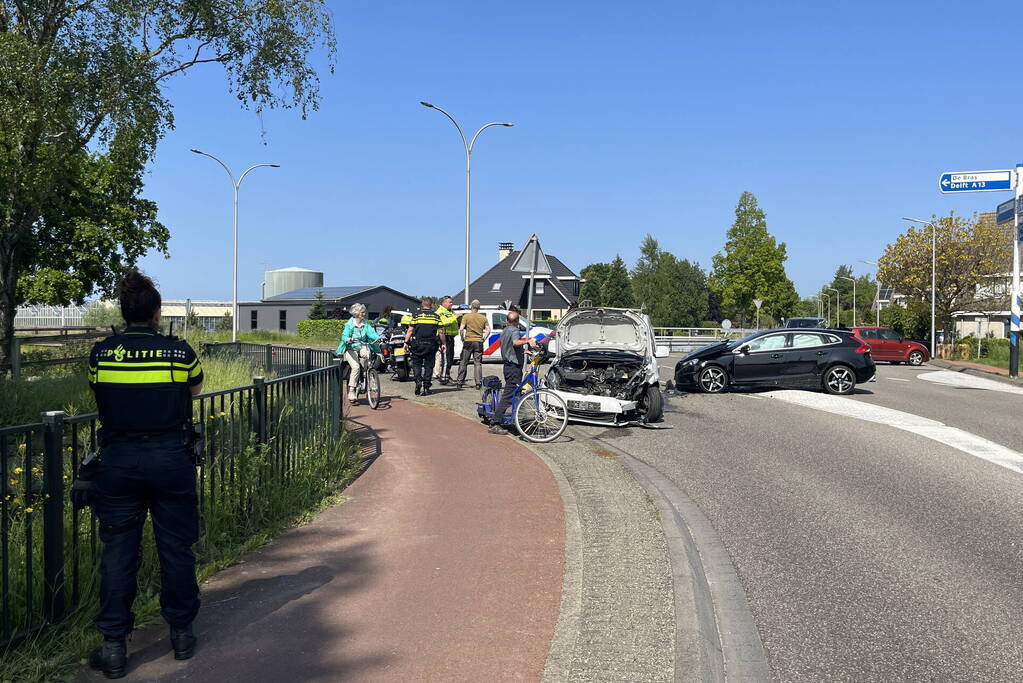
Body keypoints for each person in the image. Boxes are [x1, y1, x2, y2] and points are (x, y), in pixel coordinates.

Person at [86, 271, 204, 678]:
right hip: (170, 460)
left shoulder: (101, 354)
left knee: (118, 553)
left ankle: (114, 647)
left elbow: (99, 393)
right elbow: (194, 390)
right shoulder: (179, 353)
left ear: (125, 311)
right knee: (176, 548)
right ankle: (182, 635)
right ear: (157, 313)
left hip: (118, 462)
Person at [489, 310, 537, 434]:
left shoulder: (504, 331)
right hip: (513, 369)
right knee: (508, 396)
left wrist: (522, 352)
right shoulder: (515, 330)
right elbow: (515, 342)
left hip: (508, 366)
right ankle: (495, 423)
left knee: (516, 394)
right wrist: (527, 341)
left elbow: (509, 347)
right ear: (516, 322)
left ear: (507, 321)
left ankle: (521, 420)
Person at [337, 303, 381, 405]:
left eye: (364, 312)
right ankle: (351, 390)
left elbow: (371, 333)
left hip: (362, 346)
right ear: (356, 313)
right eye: (362, 312)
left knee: (367, 353)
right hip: (350, 348)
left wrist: (378, 337)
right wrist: (347, 339)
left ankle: (368, 372)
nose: (364, 314)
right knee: (356, 367)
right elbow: (344, 335)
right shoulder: (349, 324)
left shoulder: (365, 323)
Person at [404, 297, 447, 396]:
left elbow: (410, 330)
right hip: (431, 344)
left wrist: (406, 342)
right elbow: (441, 332)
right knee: (429, 366)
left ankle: (418, 381)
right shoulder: (436, 317)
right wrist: (443, 343)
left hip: (417, 344)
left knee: (416, 364)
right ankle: (426, 387)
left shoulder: (416, 316)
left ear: (422, 305)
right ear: (431, 305)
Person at [456, 300, 490, 389]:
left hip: (468, 341)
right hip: (478, 342)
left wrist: (462, 338)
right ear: (479, 307)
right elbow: (488, 330)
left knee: (464, 362)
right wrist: (483, 339)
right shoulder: (483, 318)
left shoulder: (466, 316)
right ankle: (478, 383)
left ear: (471, 306)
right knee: (477, 363)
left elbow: (461, 329)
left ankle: (459, 382)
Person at [433, 296, 460, 385]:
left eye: (451, 302)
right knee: (446, 359)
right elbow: (443, 323)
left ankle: (447, 375)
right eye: (449, 302)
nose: (451, 304)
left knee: (450, 358)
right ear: (443, 303)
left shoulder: (450, 311)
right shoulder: (440, 312)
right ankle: (444, 379)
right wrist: (454, 317)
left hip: (450, 337)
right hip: (444, 337)